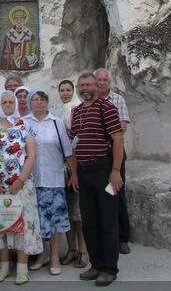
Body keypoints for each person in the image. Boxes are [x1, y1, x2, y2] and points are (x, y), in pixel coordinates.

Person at [69, 72, 124, 287]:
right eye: (81, 85)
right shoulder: (77, 112)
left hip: (104, 171)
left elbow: (118, 140)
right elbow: (74, 145)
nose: (85, 88)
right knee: (89, 222)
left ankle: (109, 269)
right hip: (84, 173)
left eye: (88, 84)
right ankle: (96, 264)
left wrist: (116, 170)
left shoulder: (106, 108)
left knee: (108, 221)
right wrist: (74, 173)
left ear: (96, 86)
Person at [0, 97, 42, 284]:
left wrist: (20, 180)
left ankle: (22, 269)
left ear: (16, 104)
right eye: (5, 102)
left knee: (23, 223)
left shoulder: (25, 125)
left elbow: (31, 155)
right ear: (0, 105)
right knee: (1, 223)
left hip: (21, 186)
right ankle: (4, 266)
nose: (8, 105)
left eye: (11, 102)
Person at [23, 90, 74, 275]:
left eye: (42, 99)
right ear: (30, 103)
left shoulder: (56, 122)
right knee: (37, 220)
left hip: (53, 178)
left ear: (47, 102)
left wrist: (73, 174)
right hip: (31, 179)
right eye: (35, 99)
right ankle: (43, 254)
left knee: (55, 220)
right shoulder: (24, 122)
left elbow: (67, 151)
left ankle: (54, 257)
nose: (38, 103)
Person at [95, 68, 132, 255]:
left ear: (109, 81)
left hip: (114, 153)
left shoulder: (118, 99)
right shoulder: (89, 101)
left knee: (117, 192)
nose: (102, 82)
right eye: (98, 79)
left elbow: (122, 127)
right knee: (102, 195)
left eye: (104, 80)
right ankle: (107, 236)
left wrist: (100, 132)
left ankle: (123, 237)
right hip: (97, 156)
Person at [57, 79, 87, 268]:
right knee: (68, 213)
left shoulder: (78, 109)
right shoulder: (61, 111)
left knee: (78, 213)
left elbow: (78, 138)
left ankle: (83, 251)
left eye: (69, 90)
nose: (66, 93)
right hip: (62, 169)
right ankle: (71, 249)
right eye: (63, 90)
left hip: (77, 166)